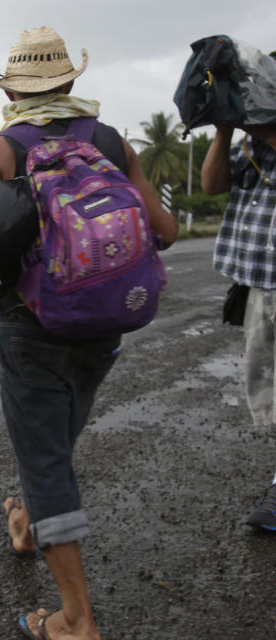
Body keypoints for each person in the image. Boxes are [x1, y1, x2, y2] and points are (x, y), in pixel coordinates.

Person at [0, 26, 178, 640]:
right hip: (108, 319)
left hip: (36, 326)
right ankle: (25, 519)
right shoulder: (110, 141)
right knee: (52, 443)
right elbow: (167, 229)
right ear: (71, 79)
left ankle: (75, 621)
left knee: (47, 458)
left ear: (14, 88)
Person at [202, 117, 276, 532]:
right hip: (261, 283)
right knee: (268, 391)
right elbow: (212, 185)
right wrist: (224, 131)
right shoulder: (250, 147)